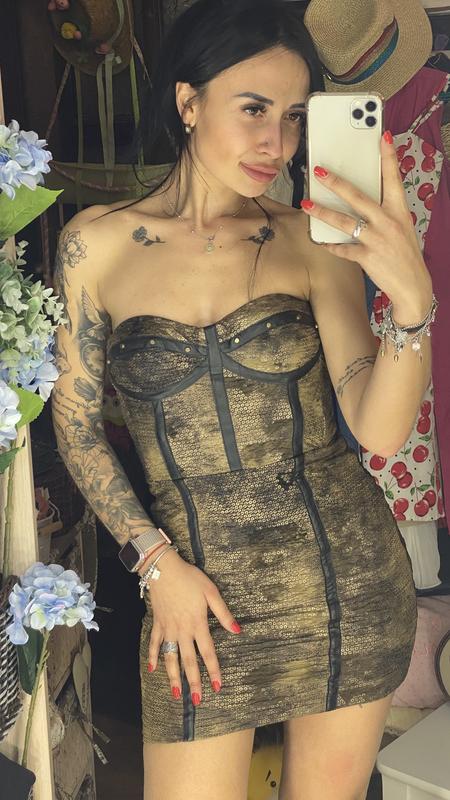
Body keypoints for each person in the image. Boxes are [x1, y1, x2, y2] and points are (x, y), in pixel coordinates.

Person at [51, 1, 436, 798]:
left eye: (294, 117)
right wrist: (156, 566)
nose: (278, 143)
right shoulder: (96, 243)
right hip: (193, 604)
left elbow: (380, 430)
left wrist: (411, 304)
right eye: (254, 109)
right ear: (189, 102)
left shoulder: (310, 239)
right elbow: (77, 428)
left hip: (345, 587)